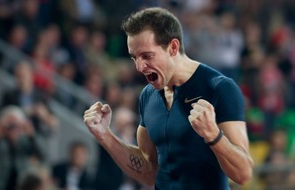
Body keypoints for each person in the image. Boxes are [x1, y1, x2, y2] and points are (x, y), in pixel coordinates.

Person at [84, 7, 254, 189]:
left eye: (147, 56)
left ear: (173, 47)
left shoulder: (218, 87)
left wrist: (213, 135)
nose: (139, 67)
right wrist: (105, 136)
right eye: (134, 58)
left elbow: (243, 174)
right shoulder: (147, 95)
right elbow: (149, 172)